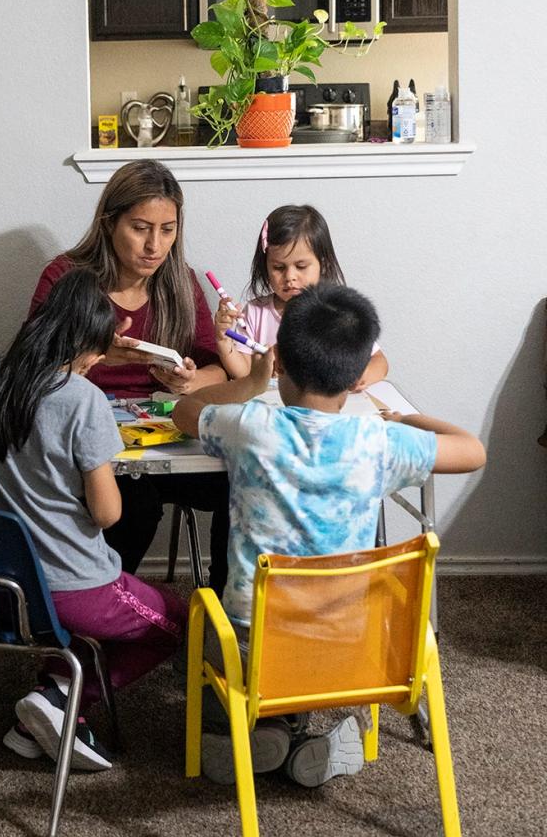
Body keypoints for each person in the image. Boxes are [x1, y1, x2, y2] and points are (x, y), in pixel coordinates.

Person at [173, 282, 485, 788]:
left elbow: (185, 412)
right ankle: (329, 743)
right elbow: (472, 450)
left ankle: (258, 730)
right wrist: (404, 419)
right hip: (352, 647)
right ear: (358, 371)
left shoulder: (250, 427)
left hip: (254, 647)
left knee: (209, 615)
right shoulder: (380, 442)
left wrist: (252, 382)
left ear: (282, 363)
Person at [0, 268, 188, 772]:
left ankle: (36, 719)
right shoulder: (84, 400)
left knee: (71, 630)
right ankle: (60, 697)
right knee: (179, 621)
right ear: (91, 347)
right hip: (72, 586)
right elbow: (107, 512)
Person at [28, 160, 231, 592]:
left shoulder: (180, 281)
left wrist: (189, 382)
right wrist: (106, 357)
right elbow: (31, 373)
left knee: (245, 482)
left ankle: (225, 610)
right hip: (89, 444)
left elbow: (219, 369)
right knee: (135, 505)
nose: (154, 246)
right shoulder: (66, 278)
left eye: (168, 229)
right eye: (140, 228)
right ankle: (101, 610)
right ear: (109, 222)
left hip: (166, 435)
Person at [216, 204, 389, 390]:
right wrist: (222, 339)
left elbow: (380, 362)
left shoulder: (334, 312)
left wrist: (362, 376)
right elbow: (243, 372)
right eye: (279, 268)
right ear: (265, 266)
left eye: (301, 266)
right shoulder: (255, 311)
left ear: (322, 263)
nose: (290, 277)